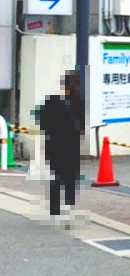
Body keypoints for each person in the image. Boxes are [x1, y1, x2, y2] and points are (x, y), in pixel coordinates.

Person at [36, 70, 83, 220]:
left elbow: (42, 121)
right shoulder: (56, 102)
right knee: (61, 176)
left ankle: (65, 207)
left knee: (66, 176)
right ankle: (59, 207)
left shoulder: (75, 102)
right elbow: (42, 121)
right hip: (61, 145)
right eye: (74, 84)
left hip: (64, 145)